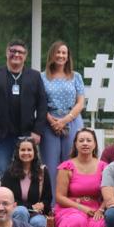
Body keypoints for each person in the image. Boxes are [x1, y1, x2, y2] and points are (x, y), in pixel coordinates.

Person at [0, 38, 48, 176]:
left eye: (20, 52)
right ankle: (2, 198)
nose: (16, 55)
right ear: (7, 53)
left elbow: (42, 105)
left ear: (25, 56)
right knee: (2, 171)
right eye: (13, 51)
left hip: (27, 134)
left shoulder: (34, 76)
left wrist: (37, 131)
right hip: (1, 136)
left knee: (27, 172)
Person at [53, 128, 108, 227]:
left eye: (89, 140)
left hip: (95, 207)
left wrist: (101, 209)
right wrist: (82, 209)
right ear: (75, 144)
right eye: (81, 140)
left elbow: (109, 194)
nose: (85, 143)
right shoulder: (66, 167)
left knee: (99, 225)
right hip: (70, 207)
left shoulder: (104, 167)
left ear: (94, 144)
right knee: (77, 221)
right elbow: (60, 197)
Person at [39, 40, 86, 200]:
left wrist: (65, 120)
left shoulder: (76, 76)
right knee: (50, 164)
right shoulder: (42, 77)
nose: (60, 56)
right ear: (52, 55)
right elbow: (39, 102)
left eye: (64, 53)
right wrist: (53, 121)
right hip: (48, 122)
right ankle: (51, 204)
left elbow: (81, 102)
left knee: (72, 162)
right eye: (57, 52)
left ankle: (72, 200)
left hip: (72, 120)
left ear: (68, 56)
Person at [0, 137, 52, 227]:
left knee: (39, 223)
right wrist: (29, 206)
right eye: (23, 150)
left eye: (29, 150)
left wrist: (43, 204)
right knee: (22, 211)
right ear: (17, 152)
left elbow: (48, 198)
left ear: (35, 152)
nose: (26, 153)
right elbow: (5, 197)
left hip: (36, 214)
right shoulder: (9, 172)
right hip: (16, 211)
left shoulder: (43, 171)